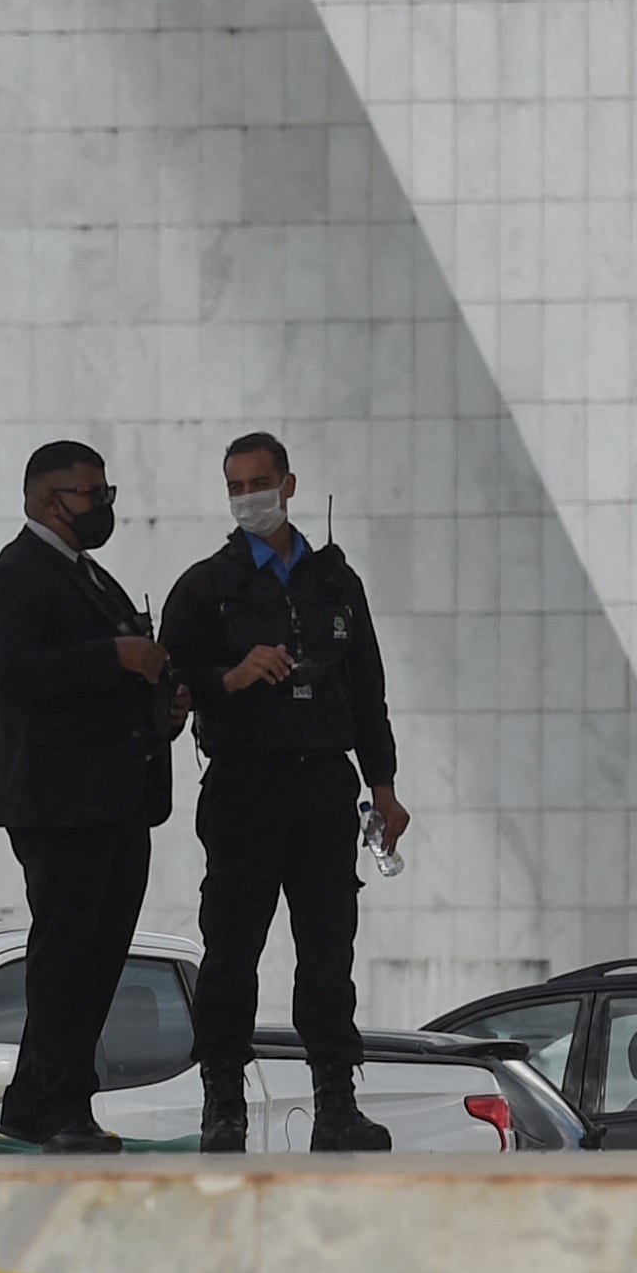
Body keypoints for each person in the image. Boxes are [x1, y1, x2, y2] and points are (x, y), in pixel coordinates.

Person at [158, 433, 411, 1154]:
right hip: (245, 783)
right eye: (236, 486)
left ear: (290, 484)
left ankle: (336, 1100)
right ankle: (223, 1104)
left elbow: (369, 691)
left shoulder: (336, 581)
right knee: (232, 950)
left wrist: (383, 785)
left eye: (260, 482)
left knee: (328, 952)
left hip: (324, 783)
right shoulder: (208, 586)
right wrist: (228, 678)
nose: (249, 498)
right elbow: (169, 680)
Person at [0, 439, 181, 1151]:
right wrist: (114, 657)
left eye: (105, 493)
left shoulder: (91, 578)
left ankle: (48, 1099)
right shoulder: (14, 576)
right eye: (92, 495)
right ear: (46, 501)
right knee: (65, 955)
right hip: (58, 802)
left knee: (98, 955)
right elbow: (19, 674)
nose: (104, 508)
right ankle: (56, 1105)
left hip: (115, 798)